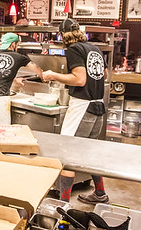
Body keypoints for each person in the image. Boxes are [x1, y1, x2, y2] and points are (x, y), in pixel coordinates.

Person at [42, 18, 109, 203]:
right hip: (97, 105)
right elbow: (104, 74)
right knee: (90, 152)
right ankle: (100, 193)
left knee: (67, 154)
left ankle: (63, 203)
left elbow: (79, 80)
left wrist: (53, 75)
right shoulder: (94, 48)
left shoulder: (73, 49)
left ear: (63, 34)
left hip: (82, 107)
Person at [0, 33, 43, 124]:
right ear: (13, 44)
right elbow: (37, 70)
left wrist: (14, 79)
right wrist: (45, 78)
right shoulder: (19, 57)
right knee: (1, 132)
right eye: (17, 44)